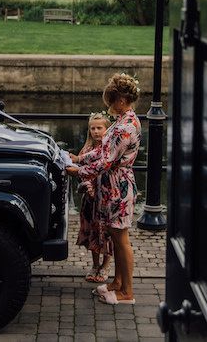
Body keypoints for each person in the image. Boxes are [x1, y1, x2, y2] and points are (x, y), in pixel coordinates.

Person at [67, 73, 142, 305]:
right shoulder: (123, 120)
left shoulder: (125, 127)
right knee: (115, 236)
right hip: (111, 187)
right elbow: (101, 152)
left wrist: (79, 171)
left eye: (111, 100)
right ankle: (117, 284)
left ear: (121, 99)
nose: (108, 105)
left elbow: (106, 161)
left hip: (117, 189)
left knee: (121, 239)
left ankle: (127, 293)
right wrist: (79, 158)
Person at [75, 112, 113, 283]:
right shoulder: (87, 149)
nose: (96, 131)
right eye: (93, 128)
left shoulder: (109, 149)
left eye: (100, 128)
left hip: (104, 197)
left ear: (107, 129)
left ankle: (105, 266)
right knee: (92, 231)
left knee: (106, 232)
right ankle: (95, 264)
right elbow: (80, 169)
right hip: (90, 198)